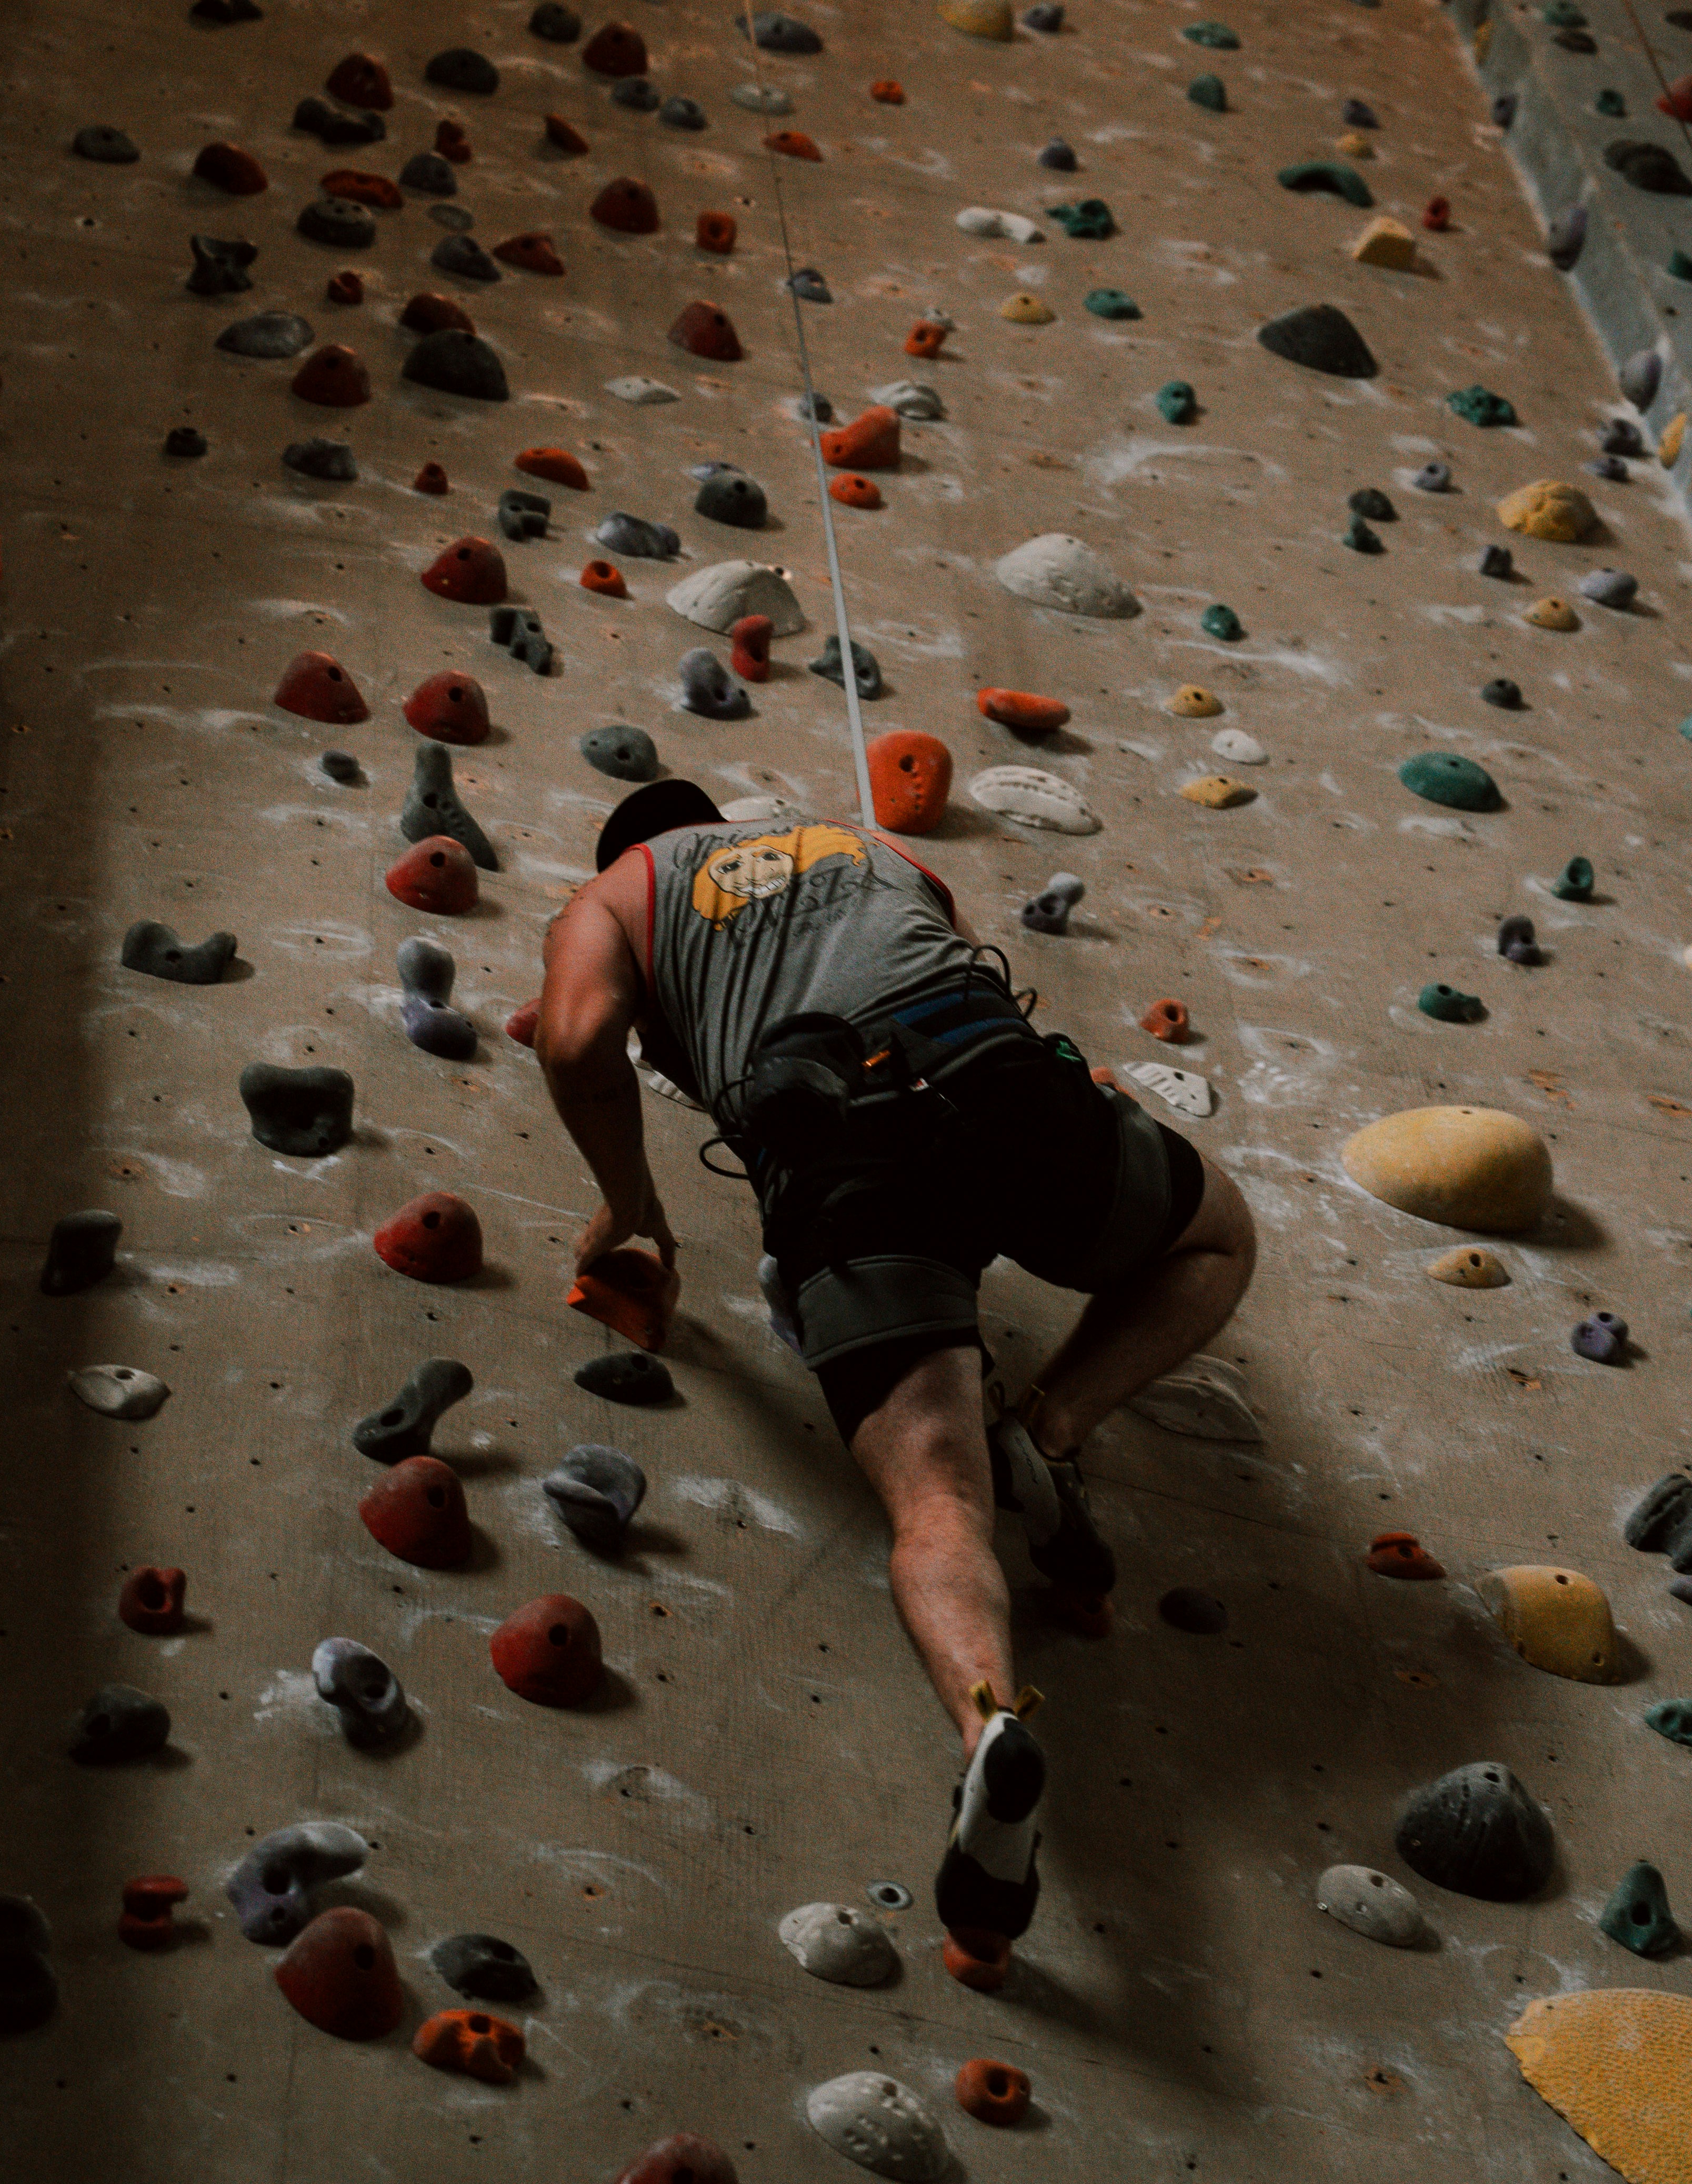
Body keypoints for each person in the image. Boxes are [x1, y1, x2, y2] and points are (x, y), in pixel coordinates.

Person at [535, 779, 1257, 1951]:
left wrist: (632, 1205)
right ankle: (1053, 1423)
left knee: (936, 1508)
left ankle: (987, 1732)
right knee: (1218, 1234)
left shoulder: (611, 898)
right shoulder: (859, 846)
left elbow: (573, 1041)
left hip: (840, 1152)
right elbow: (949, 955)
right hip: (999, 1081)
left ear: (633, 850)